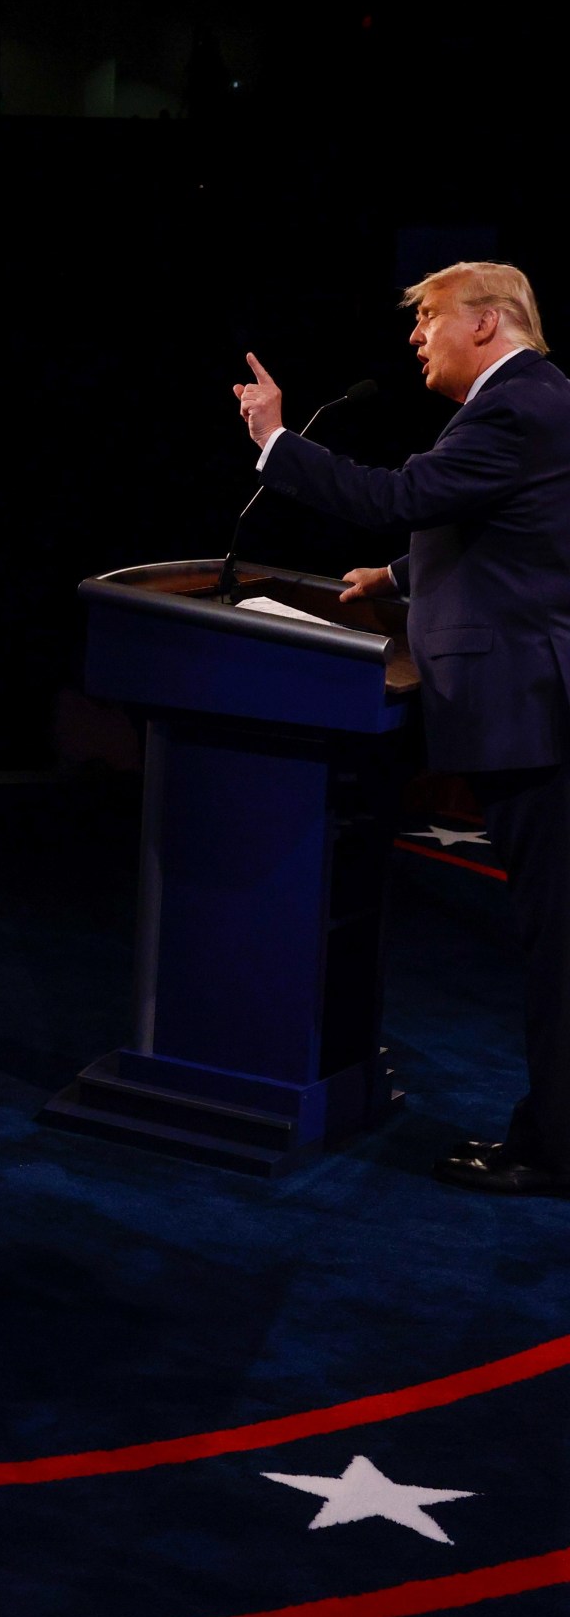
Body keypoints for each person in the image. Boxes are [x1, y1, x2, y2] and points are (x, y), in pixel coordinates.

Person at [235, 260, 570, 1197]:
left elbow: (402, 496)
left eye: (429, 318)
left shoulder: (516, 406)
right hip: (536, 707)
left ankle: (553, 1150)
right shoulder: (535, 405)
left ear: (490, 323)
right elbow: (513, 535)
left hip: (535, 714)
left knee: (558, 947)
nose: (416, 337)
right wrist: (397, 575)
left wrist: (276, 442)